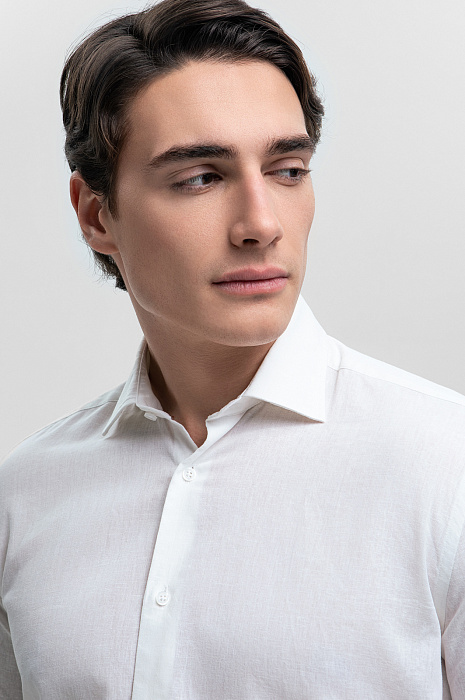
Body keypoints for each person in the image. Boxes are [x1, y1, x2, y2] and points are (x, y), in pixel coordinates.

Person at [1, 0, 464, 697]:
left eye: (287, 170)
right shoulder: (25, 498)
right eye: (201, 177)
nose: (260, 224)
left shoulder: (446, 471)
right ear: (97, 216)